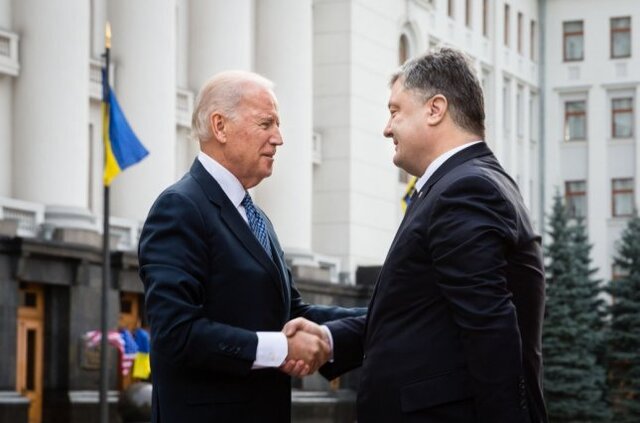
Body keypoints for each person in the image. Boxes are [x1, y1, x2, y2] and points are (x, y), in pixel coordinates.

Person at [286, 47, 548, 422]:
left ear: (435, 109)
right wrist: (330, 339)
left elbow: (490, 332)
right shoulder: (459, 184)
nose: (387, 128)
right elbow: (421, 314)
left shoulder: (466, 190)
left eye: (395, 111)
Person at [138, 70, 365, 423]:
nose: (279, 138)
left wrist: (385, 317)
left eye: (278, 125)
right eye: (266, 124)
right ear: (220, 126)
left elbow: (290, 314)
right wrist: (281, 348)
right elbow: (176, 333)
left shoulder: (256, 217)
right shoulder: (180, 207)